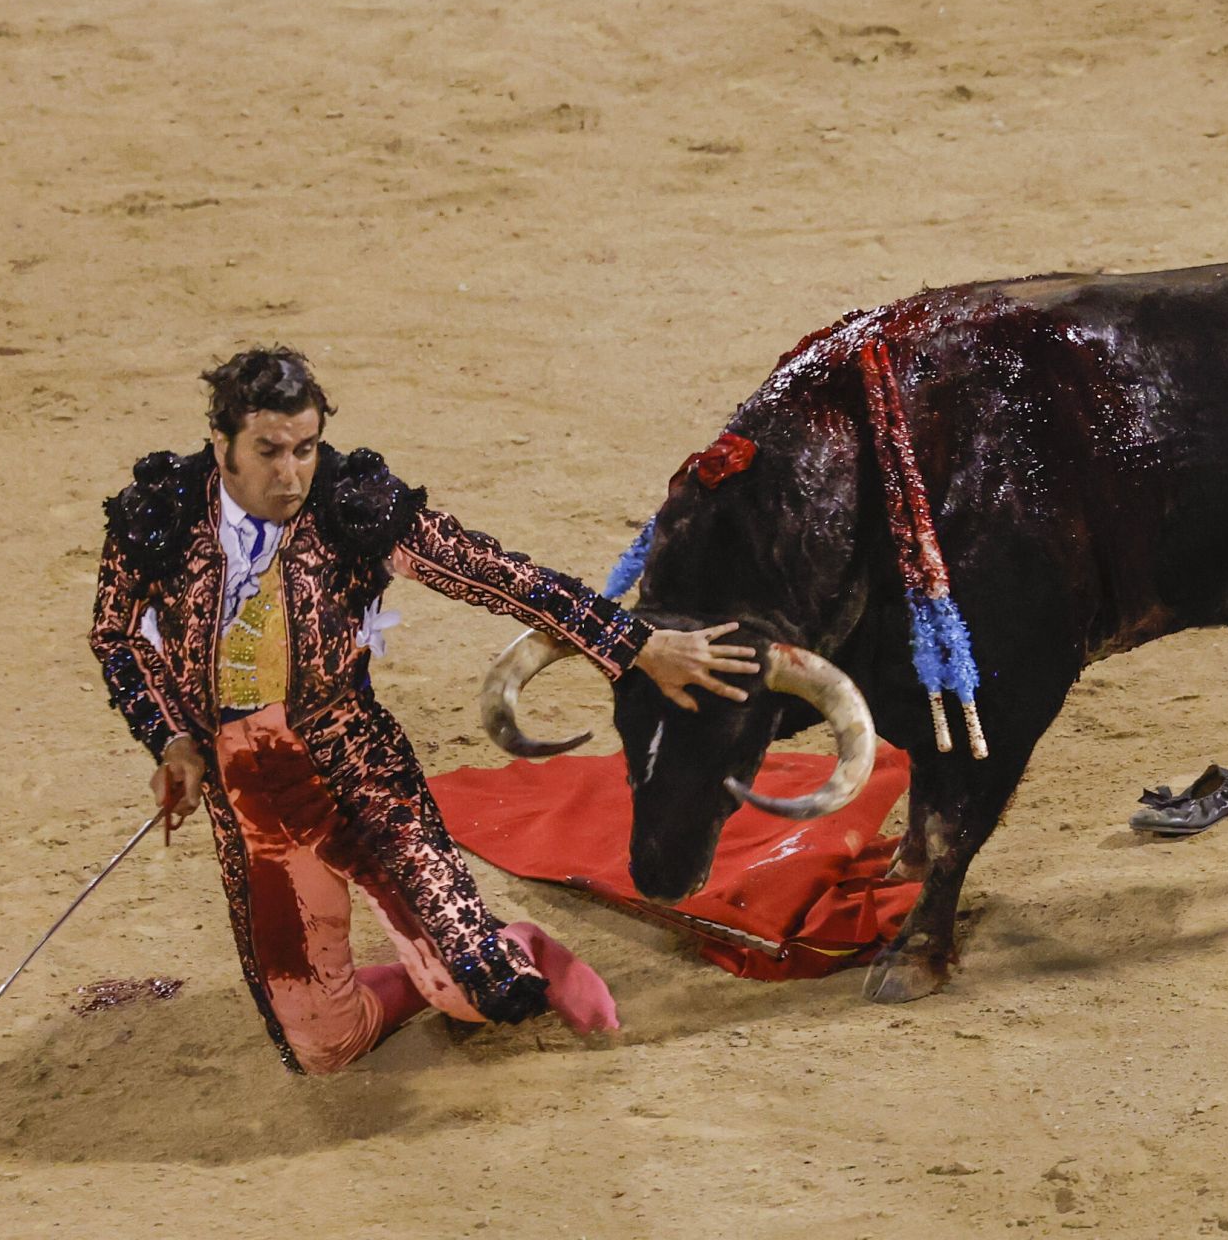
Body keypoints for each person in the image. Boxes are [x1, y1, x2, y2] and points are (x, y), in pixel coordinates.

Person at [90, 346, 757, 1074]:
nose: (291, 474)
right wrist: (172, 738)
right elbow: (117, 635)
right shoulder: (159, 517)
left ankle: (514, 947)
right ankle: (424, 975)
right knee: (323, 1045)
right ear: (222, 446)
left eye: (306, 449)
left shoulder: (352, 505)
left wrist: (630, 645)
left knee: (484, 989)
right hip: (246, 797)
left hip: (354, 769)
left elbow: (491, 574)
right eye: (270, 451)